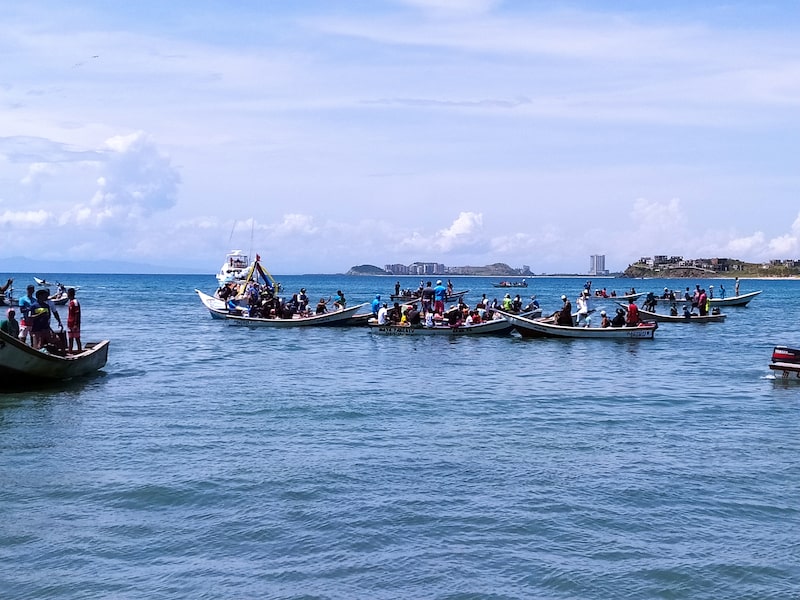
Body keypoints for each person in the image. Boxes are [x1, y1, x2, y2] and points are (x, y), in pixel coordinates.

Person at [66, 288, 82, 353]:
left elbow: (77, 313)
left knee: (77, 338)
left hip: (74, 324)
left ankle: (79, 351)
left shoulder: (75, 302)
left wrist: (75, 324)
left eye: (68, 293)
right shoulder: (70, 302)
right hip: (69, 323)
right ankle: (70, 352)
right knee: (70, 338)